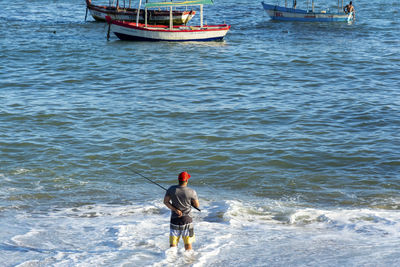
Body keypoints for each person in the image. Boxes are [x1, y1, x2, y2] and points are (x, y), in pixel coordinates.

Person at [164, 171, 200, 251]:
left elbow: (166, 202)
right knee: (188, 244)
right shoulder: (192, 191)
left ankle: (171, 260)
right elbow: (197, 205)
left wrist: (175, 209)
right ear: (186, 180)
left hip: (174, 220)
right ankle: (189, 261)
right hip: (187, 220)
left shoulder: (171, 189)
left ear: (178, 180)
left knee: (173, 244)